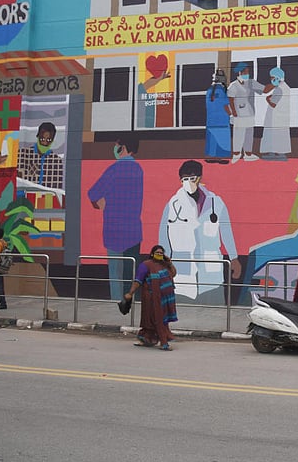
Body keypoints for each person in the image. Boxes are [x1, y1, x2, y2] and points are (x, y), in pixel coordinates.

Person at [159, 160, 241, 304]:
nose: (188, 182)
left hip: (210, 271)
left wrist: (234, 258)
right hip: (182, 271)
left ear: (200, 178)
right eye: (184, 179)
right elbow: (163, 236)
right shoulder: (173, 204)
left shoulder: (216, 202)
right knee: (181, 314)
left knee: (214, 314)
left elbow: (226, 232)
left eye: (192, 178)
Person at [88, 135, 144, 301]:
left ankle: (117, 304)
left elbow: (92, 192)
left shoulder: (114, 169)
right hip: (133, 229)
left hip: (114, 230)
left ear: (123, 147)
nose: (114, 148)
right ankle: (130, 302)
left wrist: (101, 203)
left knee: (116, 272)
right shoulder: (138, 169)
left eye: (116, 145)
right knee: (130, 272)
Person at [124, 245, 178, 351]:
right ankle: (164, 343)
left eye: (161, 253)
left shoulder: (164, 264)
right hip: (152, 298)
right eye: (157, 253)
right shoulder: (145, 265)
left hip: (165, 299)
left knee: (159, 319)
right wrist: (130, 293)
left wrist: (169, 262)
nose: (159, 255)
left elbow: (173, 274)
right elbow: (138, 280)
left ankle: (146, 339)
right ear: (152, 254)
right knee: (158, 319)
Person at [226, 62, 265, 163]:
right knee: (238, 134)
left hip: (249, 113)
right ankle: (236, 154)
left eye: (248, 72)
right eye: (245, 72)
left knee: (249, 134)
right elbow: (230, 99)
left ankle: (248, 154)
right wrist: (233, 112)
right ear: (239, 73)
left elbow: (263, 89)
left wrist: (273, 85)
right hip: (239, 114)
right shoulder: (233, 85)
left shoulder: (250, 83)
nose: (247, 74)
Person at [17, 122, 64, 189]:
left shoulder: (56, 161)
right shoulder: (23, 153)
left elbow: (57, 187)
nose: (45, 143)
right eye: (42, 139)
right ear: (38, 136)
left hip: (47, 197)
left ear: (52, 140)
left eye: (49, 140)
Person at [260, 67, 292, 161]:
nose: (271, 79)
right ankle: (279, 153)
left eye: (272, 77)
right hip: (282, 117)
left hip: (275, 118)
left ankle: (274, 154)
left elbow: (273, 104)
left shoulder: (279, 89)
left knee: (273, 135)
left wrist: (267, 99)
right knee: (281, 135)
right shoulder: (285, 87)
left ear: (277, 77)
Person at [204, 69, 232, 163]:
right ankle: (220, 158)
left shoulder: (209, 91)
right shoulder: (222, 91)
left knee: (212, 140)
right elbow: (225, 105)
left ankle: (211, 157)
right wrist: (231, 114)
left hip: (211, 120)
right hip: (222, 121)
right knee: (221, 140)